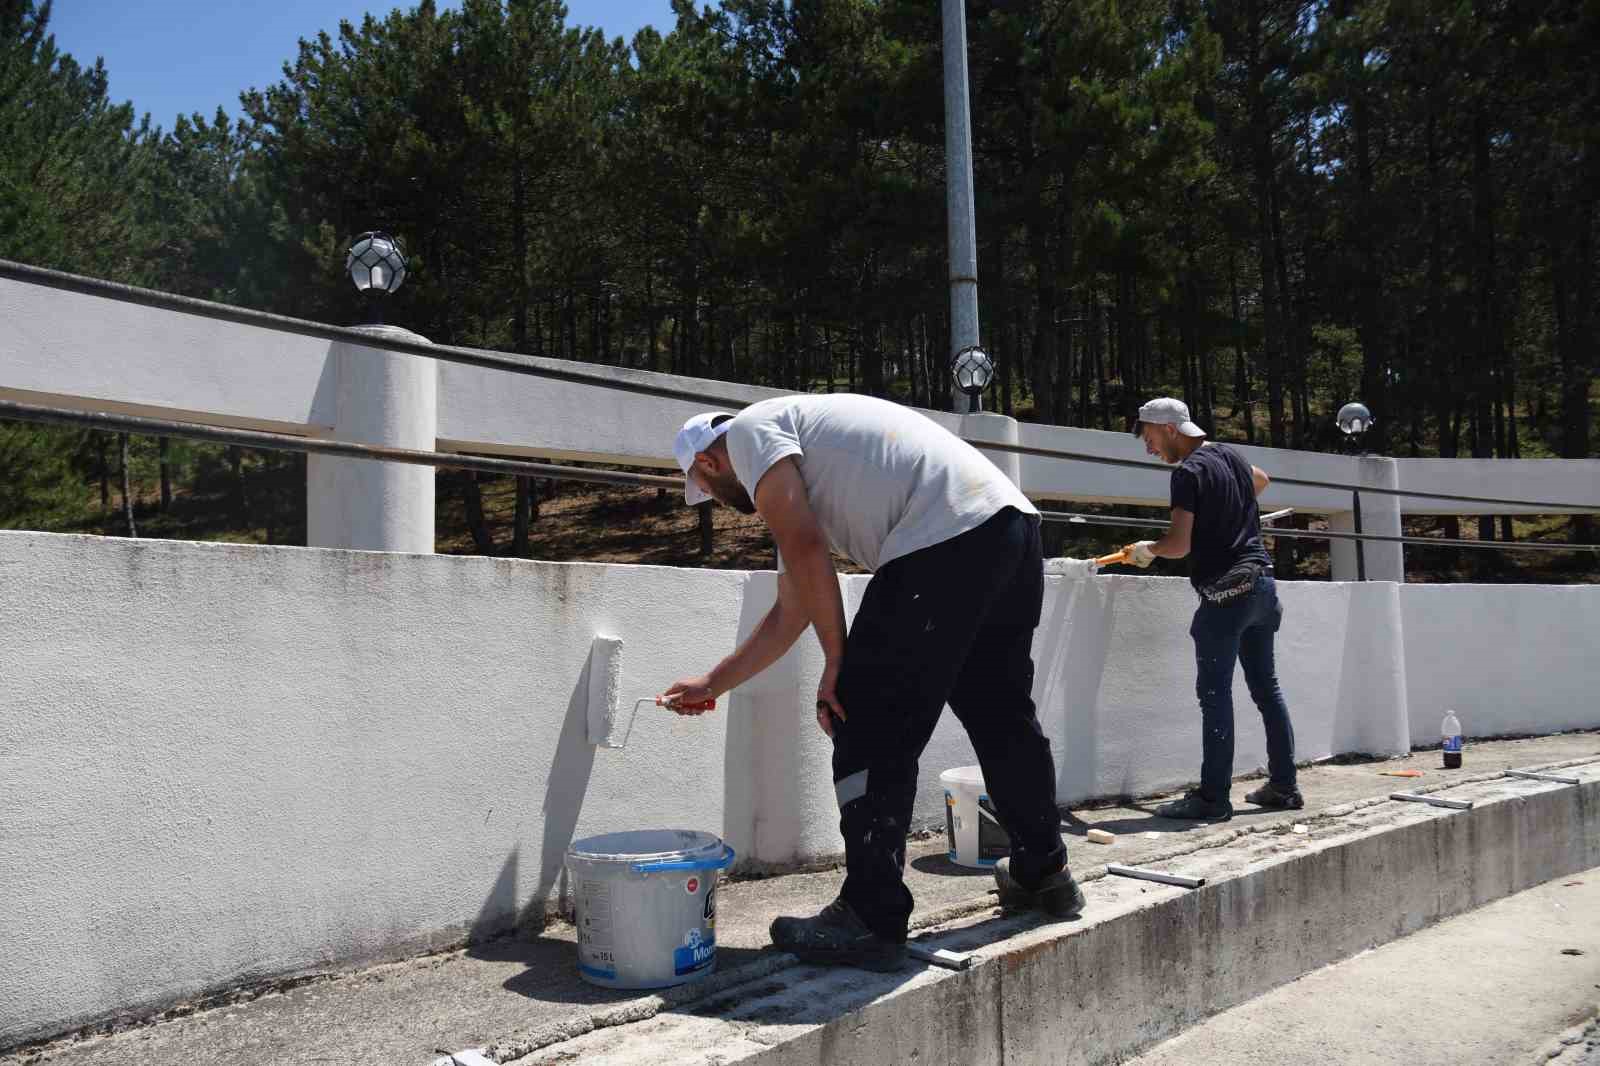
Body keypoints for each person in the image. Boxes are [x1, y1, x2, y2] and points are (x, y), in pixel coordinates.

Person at [663, 394, 1080, 972]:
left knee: (860, 716)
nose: (715, 500)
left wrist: (838, 665)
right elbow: (793, 606)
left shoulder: (751, 431)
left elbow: (809, 552)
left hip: (943, 536)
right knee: (999, 710)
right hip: (1008, 526)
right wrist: (713, 681)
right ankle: (1045, 872)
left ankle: (870, 913)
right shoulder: (809, 458)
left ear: (708, 462)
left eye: (706, 490)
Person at [1122, 397, 1302, 821]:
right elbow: (1261, 479)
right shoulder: (1230, 455)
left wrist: (1149, 550)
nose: (1150, 449)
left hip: (1225, 595)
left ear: (1168, 429)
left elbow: (1179, 545)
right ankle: (1284, 786)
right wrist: (1227, 506)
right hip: (1262, 584)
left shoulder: (1187, 473)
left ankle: (1213, 798)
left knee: (1215, 695)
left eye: (1149, 439)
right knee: (1267, 689)